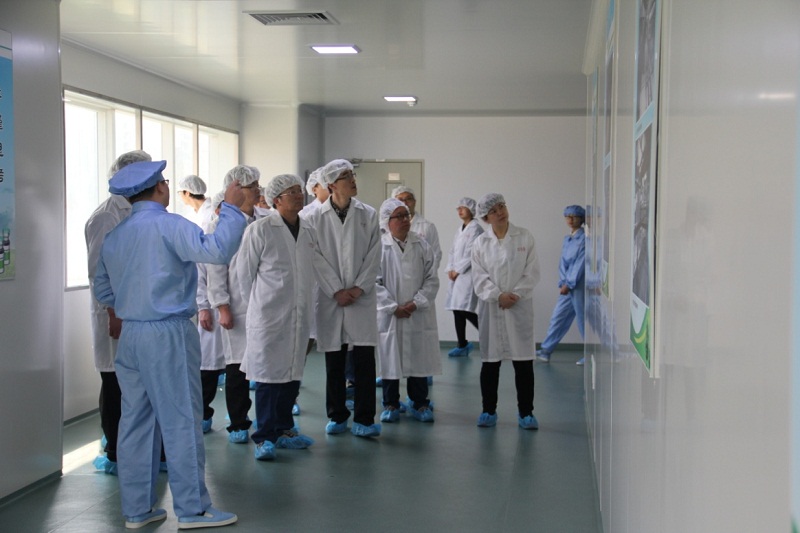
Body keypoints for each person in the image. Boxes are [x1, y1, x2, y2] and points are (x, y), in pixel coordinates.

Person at [93, 159, 245, 529]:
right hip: (168, 334)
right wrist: (231, 208)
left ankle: (137, 509)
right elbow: (217, 250)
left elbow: (102, 288)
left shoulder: (116, 235)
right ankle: (193, 509)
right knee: (180, 419)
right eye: (164, 182)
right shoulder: (170, 225)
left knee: (136, 421)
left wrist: (130, 301)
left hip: (132, 335)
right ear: (159, 187)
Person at [237, 174, 316, 460]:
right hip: (269, 315)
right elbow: (244, 275)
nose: (299, 195)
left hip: (298, 313)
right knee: (268, 377)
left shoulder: (308, 230)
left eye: (299, 190)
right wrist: (259, 307)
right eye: (291, 192)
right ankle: (264, 436)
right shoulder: (260, 230)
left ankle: (284, 429)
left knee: (292, 372)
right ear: (276, 200)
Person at [85, 149, 152, 475]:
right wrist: (113, 312)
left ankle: (140, 447)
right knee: (114, 382)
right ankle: (114, 451)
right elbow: (99, 270)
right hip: (117, 315)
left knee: (139, 383)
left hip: (140, 312)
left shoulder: (138, 210)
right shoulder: (106, 217)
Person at [308, 159, 382, 438]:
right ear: (331, 185)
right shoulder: (314, 218)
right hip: (331, 298)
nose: (352, 180)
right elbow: (315, 256)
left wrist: (359, 288)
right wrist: (336, 290)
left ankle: (364, 419)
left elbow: (375, 254)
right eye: (345, 176)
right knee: (334, 361)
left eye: (352, 174)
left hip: (361, 297)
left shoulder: (368, 214)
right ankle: (337, 415)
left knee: (364, 361)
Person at [471, 193, 541, 430]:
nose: (500, 212)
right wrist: (497, 295)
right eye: (494, 210)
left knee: (523, 363)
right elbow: (479, 277)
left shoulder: (524, 236)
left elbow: (532, 272)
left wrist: (515, 295)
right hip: (492, 308)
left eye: (502, 206)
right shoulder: (480, 243)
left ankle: (526, 413)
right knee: (490, 362)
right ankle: (488, 411)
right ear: (485, 218)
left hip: (519, 307)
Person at [207, 165, 262, 443]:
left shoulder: (266, 220)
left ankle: (270, 421)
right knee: (237, 366)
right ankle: (239, 423)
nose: (258, 190)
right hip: (237, 304)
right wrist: (222, 306)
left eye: (258, 185)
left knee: (266, 365)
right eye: (252, 186)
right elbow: (216, 269)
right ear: (236, 190)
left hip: (265, 303)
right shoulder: (221, 225)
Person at [376, 198, 441, 423]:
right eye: (399, 216)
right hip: (390, 315)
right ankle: (391, 403)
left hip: (417, 312)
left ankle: (419, 403)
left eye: (406, 215)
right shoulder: (379, 248)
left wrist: (416, 303)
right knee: (390, 359)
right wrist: (392, 307)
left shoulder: (422, 245)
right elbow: (373, 282)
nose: (405, 220)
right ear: (387, 221)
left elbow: (432, 279)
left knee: (418, 358)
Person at [536, 205, 586, 365]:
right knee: (558, 317)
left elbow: (580, 264)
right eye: (567, 216)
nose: (570, 220)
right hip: (567, 286)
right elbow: (563, 263)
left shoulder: (585, 239)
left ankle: (591, 354)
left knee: (583, 321)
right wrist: (563, 282)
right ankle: (546, 350)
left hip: (578, 285)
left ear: (581, 218)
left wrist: (569, 283)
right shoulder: (568, 239)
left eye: (574, 216)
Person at [198, 191, 227, 433]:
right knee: (208, 367)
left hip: (240, 308)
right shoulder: (207, 233)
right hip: (212, 308)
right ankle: (202, 414)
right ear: (217, 210)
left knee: (238, 369)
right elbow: (199, 275)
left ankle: (238, 419)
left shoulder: (248, 229)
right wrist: (203, 307)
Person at [444, 197, 484, 357]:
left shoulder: (476, 228)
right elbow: (452, 250)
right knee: (457, 309)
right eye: (458, 208)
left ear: (471, 210)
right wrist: (450, 268)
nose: (460, 210)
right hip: (457, 275)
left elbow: (471, 253)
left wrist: (458, 270)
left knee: (465, 309)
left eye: (463, 208)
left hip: (468, 274)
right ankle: (462, 344)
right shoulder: (460, 229)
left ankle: (492, 336)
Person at [392, 185, 442, 269]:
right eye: (400, 200)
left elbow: (435, 254)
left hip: (420, 274)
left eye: (408, 199)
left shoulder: (427, 226)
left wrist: (429, 275)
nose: (405, 203)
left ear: (414, 202)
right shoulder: (388, 227)